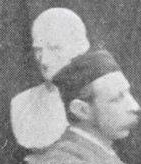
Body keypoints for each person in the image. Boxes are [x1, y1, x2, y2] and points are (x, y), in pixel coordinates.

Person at [10, 7, 90, 154]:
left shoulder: (96, 100)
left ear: (78, 49)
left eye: (55, 48)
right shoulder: (21, 103)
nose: (44, 60)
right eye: (38, 50)